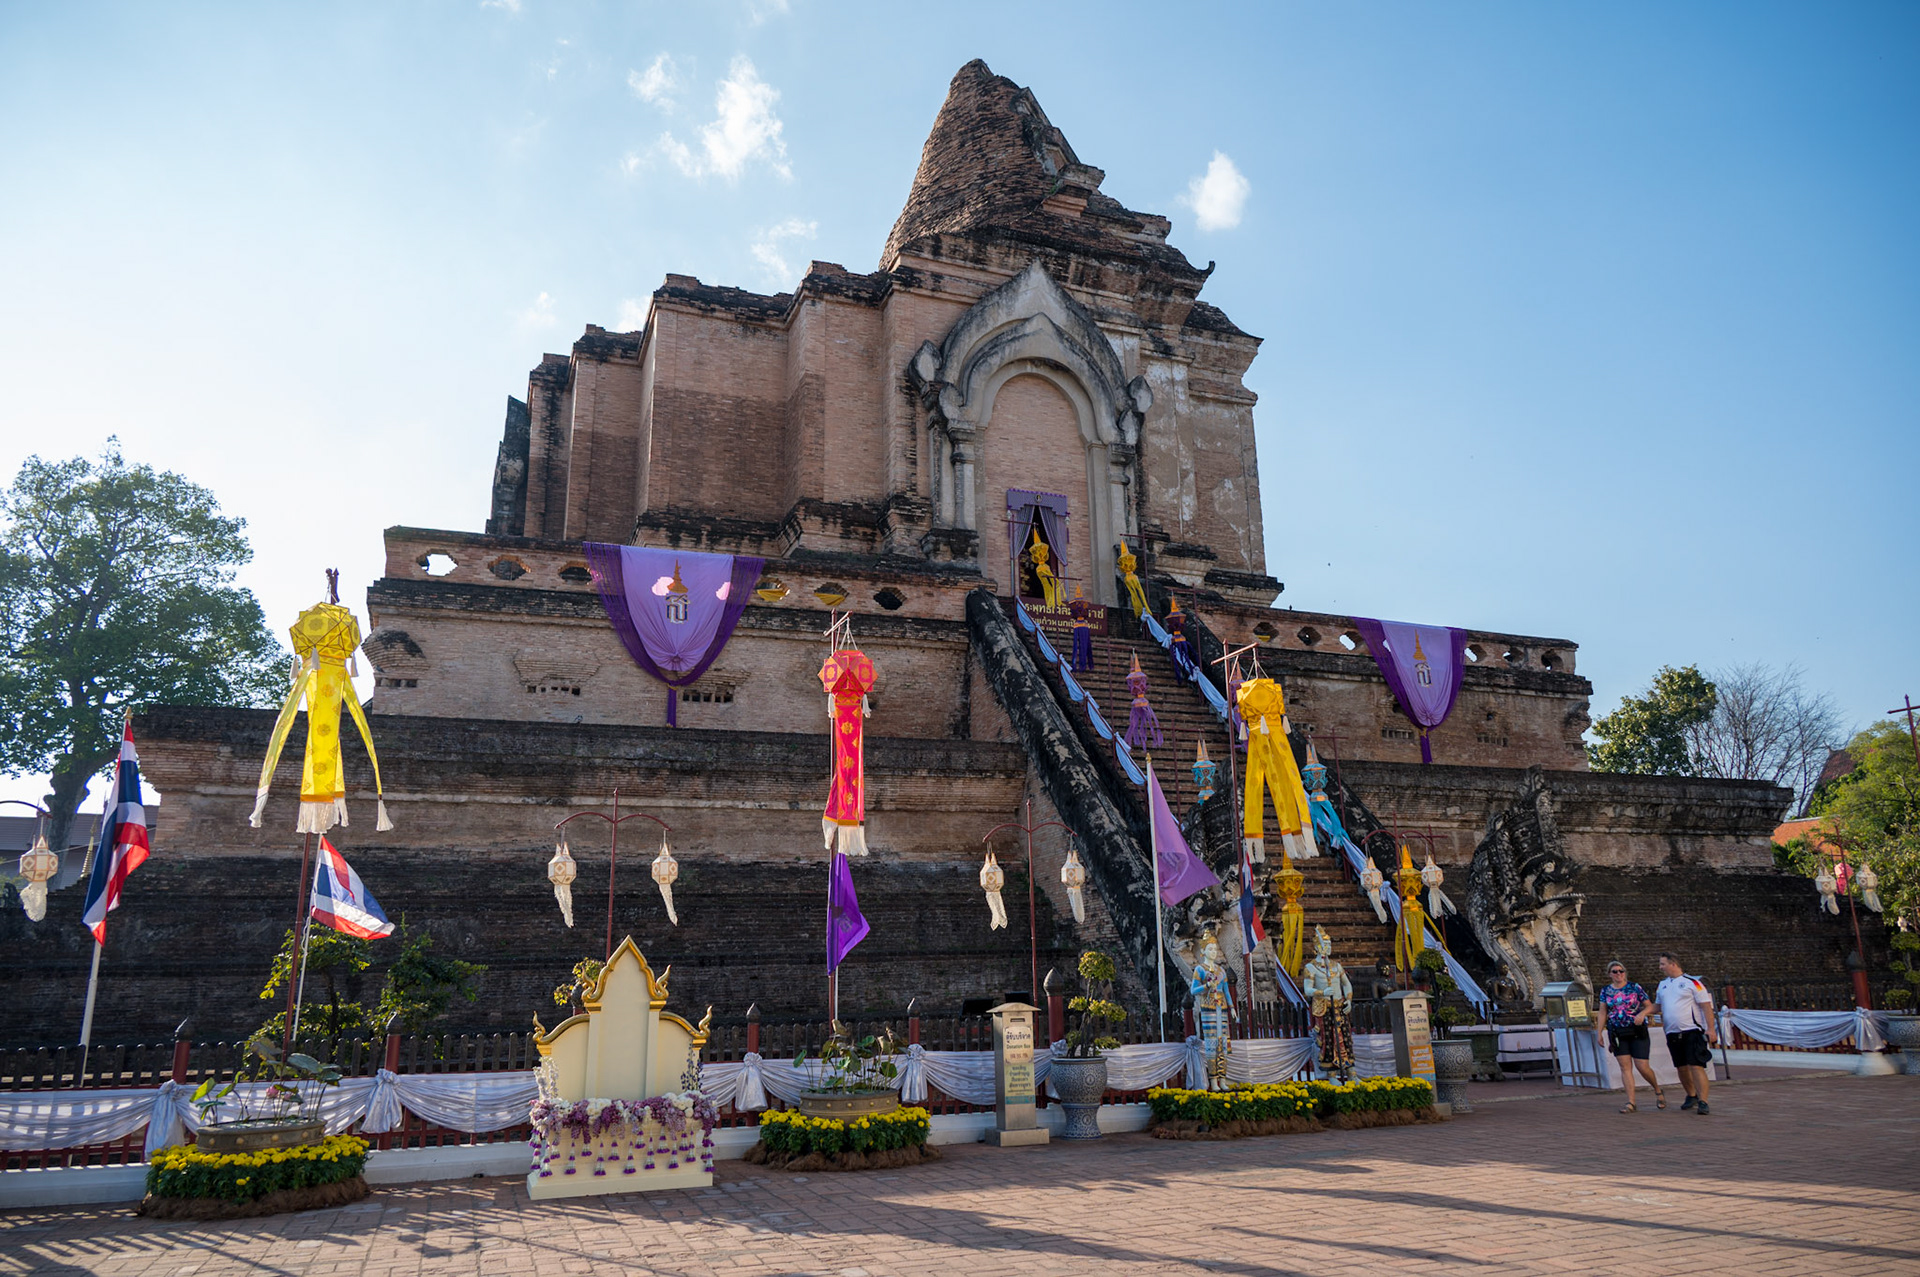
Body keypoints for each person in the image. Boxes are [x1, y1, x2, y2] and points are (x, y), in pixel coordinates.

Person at [1655, 952, 1719, 1116]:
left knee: (1696, 1065)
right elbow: (1658, 1006)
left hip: (1691, 1030)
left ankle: (1703, 1101)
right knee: (1681, 1067)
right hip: (1672, 1032)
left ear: (1673, 964)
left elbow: (1706, 1006)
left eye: (1663, 964)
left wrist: (1711, 1029)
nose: (1660, 967)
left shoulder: (1693, 982)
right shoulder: (1662, 985)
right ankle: (1691, 1095)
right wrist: (1641, 1012)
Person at [1596, 961, 1665, 1113]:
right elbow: (1602, 1012)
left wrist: (1642, 1014)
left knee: (1642, 1066)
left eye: (1621, 971)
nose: (1618, 974)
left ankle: (1657, 1089)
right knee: (1625, 1066)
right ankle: (1631, 1102)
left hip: (1636, 1030)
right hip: (1618, 1031)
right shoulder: (1606, 991)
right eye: (1615, 971)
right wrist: (1599, 1032)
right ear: (1610, 974)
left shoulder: (1635, 987)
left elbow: (1650, 1006)